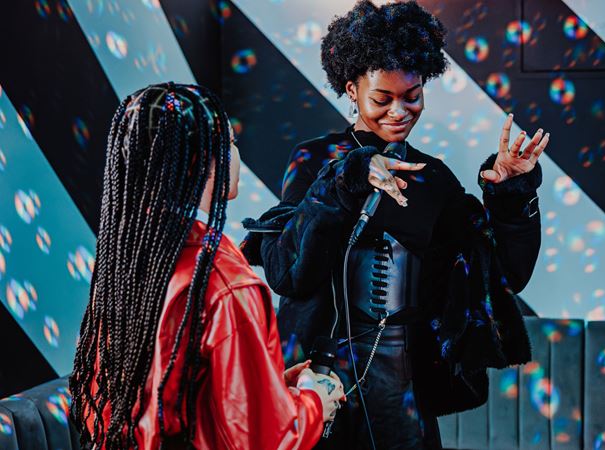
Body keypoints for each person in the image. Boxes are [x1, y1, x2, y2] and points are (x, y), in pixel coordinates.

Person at [242, 1, 549, 448]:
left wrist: (511, 194)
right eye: (382, 99)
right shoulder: (315, 162)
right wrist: (345, 181)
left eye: (412, 96)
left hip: (403, 394)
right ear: (352, 89)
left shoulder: (433, 178)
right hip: (315, 384)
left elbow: (504, 276)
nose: (399, 111)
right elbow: (289, 271)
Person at [69, 83, 344, 450]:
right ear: (201, 160)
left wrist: (273, 387)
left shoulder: (129, 261)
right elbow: (262, 440)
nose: (236, 154)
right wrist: (312, 403)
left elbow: (169, 394)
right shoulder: (223, 282)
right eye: (229, 142)